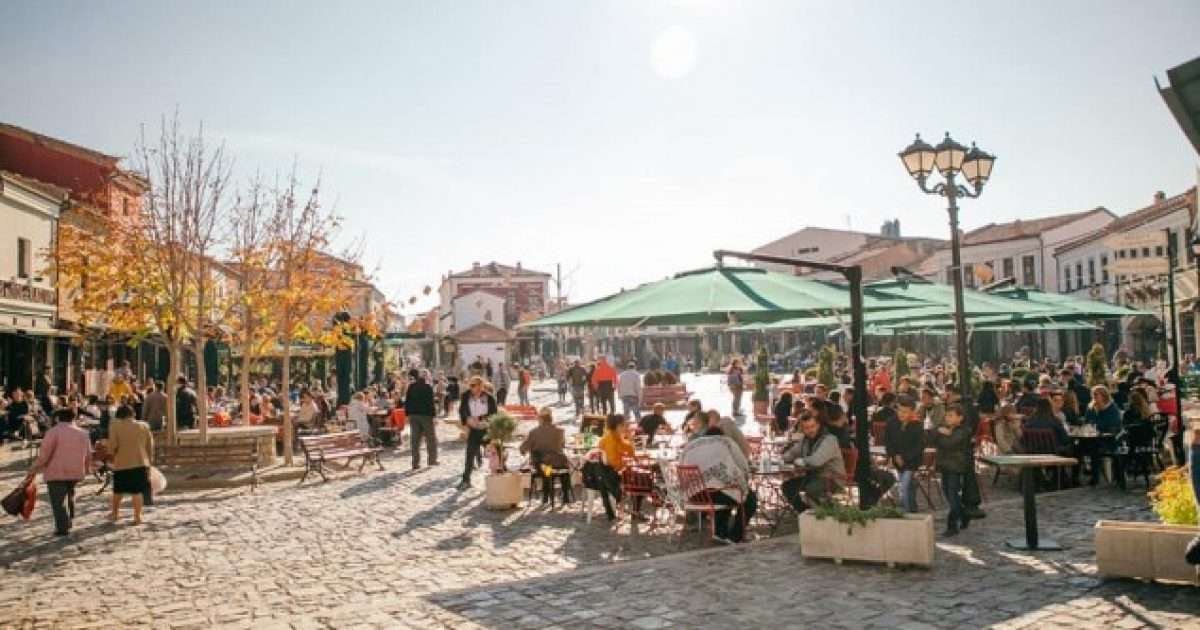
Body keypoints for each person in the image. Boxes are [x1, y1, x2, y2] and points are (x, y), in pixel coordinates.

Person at [680, 420, 757, 543]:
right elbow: (743, 465)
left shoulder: (690, 446)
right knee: (749, 499)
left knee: (724, 489)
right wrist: (744, 477)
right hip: (717, 494)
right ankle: (736, 536)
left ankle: (720, 533)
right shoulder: (726, 442)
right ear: (721, 435)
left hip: (694, 495)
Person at [30, 408, 92, 536]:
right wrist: (87, 468)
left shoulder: (53, 432)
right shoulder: (83, 433)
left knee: (58, 501)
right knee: (70, 494)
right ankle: (69, 518)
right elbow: (88, 454)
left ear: (58, 418)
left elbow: (45, 454)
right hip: (75, 470)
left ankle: (63, 527)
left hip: (56, 471)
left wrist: (35, 466)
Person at [780, 413, 845, 512]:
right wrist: (784, 458)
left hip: (832, 479)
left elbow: (817, 461)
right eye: (806, 428)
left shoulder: (829, 440)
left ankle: (828, 512)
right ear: (802, 428)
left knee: (811, 488)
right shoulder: (805, 440)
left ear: (818, 425)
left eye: (812, 426)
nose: (810, 430)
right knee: (788, 487)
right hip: (814, 477)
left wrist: (803, 460)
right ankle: (805, 512)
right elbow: (792, 453)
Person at [107, 405, 153, 525]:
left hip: (122, 462)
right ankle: (138, 516)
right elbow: (150, 446)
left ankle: (115, 513)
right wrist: (149, 461)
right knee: (137, 491)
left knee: (118, 490)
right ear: (133, 414)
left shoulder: (115, 426)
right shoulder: (144, 426)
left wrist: (110, 453)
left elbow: (113, 445)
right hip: (140, 462)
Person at [520, 407, 571, 504]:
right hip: (559, 464)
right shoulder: (560, 431)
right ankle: (565, 495)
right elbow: (563, 444)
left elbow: (523, 448)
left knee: (547, 471)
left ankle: (546, 495)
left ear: (541, 420)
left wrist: (524, 449)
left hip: (543, 466)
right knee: (561, 469)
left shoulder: (534, 432)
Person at [934, 404, 971, 536]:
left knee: (952, 494)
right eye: (947, 415)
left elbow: (948, 443)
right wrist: (940, 432)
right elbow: (932, 438)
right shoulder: (946, 429)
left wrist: (940, 434)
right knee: (947, 493)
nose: (947, 418)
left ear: (960, 418)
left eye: (951, 416)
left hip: (955, 467)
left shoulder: (963, 431)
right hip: (945, 465)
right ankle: (963, 514)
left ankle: (952, 525)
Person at [886, 396, 924, 513]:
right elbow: (888, 441)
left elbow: (918, 446)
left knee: (904, 487)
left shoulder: (917, 425)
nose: (901, 414)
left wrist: (905, 457)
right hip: (897, 460)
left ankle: (906, 513)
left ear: (912, 412)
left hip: (911, 462)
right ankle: (912, 509)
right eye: (899, 410)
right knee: (906, 487)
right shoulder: (892, 422)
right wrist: (894, 456)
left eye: (905, 412)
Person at [458, 376, 496, 490]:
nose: (472, 388)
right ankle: (466, 480)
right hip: (473, 430)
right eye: (471, 385)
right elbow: (462, 410)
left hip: (486, 430)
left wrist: (479, 418)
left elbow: (494, 413)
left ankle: (499, 475)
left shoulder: (489, 398)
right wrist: (467, 420)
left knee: (494, 453)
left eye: (474, 385)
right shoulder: (466, 396)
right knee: (469, 454)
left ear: (481, 386)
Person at [596, 414, 636, 520]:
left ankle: (625, 507)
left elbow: (601, 448)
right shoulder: (616, 439)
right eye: (624, 425)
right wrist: (630, 438)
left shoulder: (607, 437)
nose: (626, 427)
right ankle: (635, 508)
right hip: (613, 474)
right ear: (618, 426)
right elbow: (632, 453)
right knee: (639, 477)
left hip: (603, 473)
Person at [405, 369, 437, 469]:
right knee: (430, 438)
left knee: (415, 440)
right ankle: (432, 460)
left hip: (413, 415)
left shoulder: (411, 387)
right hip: (425, 415)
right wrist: (433, 415)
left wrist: (408, 414)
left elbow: (407, 401)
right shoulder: (428, 387)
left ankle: (415, 463)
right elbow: (431, 402)